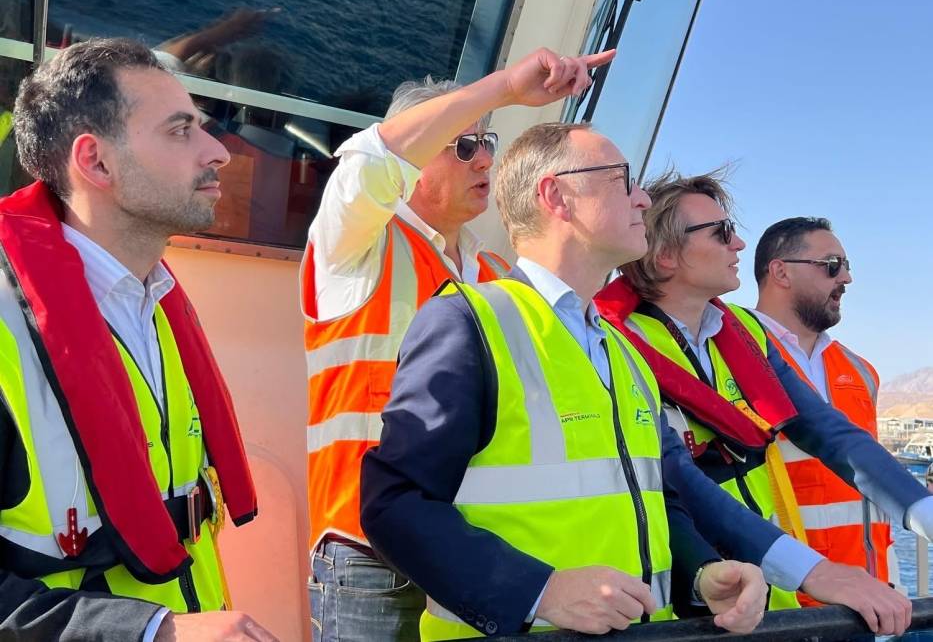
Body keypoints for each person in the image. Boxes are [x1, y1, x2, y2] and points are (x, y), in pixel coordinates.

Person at [361, 122, 772, 640]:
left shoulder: (624, 351)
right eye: (622, 180)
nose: (643, 199)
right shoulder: (468, 322)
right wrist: (540, 591)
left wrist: (702, 573)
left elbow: (648, 496)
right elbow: (395, 503)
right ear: (556, 196)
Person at [301, 47, 614, 641]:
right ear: (417, 156)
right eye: (464, 145)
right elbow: (371, 160)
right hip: (369, 555)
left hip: (471, 548)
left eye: (487, 142)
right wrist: (505, 87)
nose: (485, 158)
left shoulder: (495, 274)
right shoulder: (356, 246)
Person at [3, 38, 276, 641]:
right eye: (181, 131)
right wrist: (154, 631)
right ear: (96, 162)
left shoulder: (153, 301)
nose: (218, 151)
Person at [596, 171, 919, 634]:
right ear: (666, 254)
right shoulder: (614, 347)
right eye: (721, 232)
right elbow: (678, 479)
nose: (740, 244)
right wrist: (816, 571)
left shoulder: (745, 334)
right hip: (697, 603)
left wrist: (921, 510)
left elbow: (828, 430)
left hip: (773, 599)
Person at [753, 216, 899, 599]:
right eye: (832, 265)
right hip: (779, 607)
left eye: (846, 266)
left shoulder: (861, 372)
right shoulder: (732, 358)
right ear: (780, 272)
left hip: (868, 600)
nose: (846, 278)